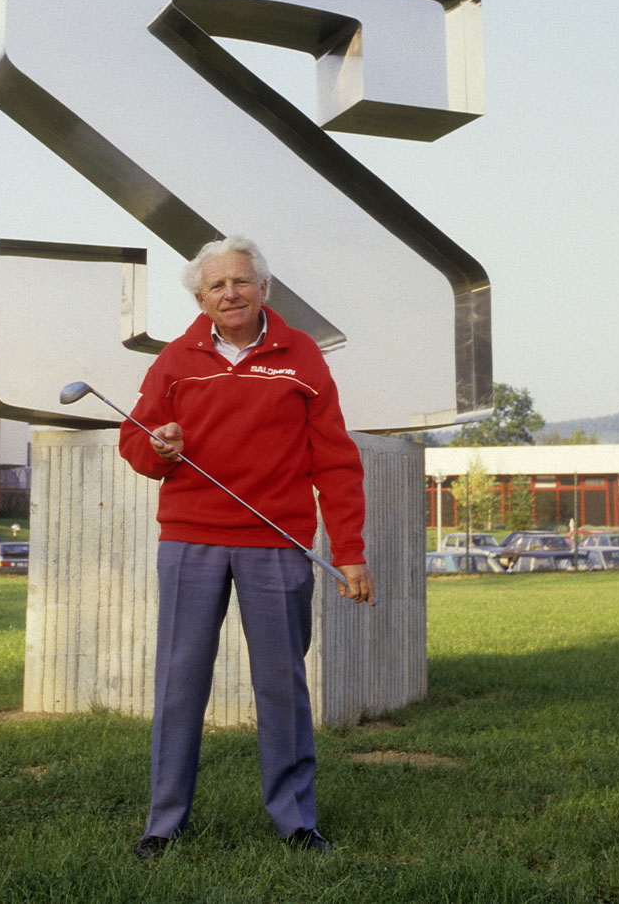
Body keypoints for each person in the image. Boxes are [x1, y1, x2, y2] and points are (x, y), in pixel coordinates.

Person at [119, 235, 375, 859]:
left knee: (282, 685)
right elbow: (135, 439)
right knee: (180, 683)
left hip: (279, 544)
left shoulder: (301, 356)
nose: (229, 293)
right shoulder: (176, 359)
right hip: (190, 542)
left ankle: (295, 822)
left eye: (240, 282)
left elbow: (336, 462)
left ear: (264, 288)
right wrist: (157, 447)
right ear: (201, 299)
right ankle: (164, 823)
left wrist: (349, 550)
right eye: (216, 286)